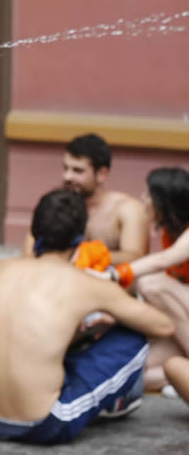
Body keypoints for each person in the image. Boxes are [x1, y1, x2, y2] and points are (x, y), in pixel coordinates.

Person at [0, 188, 174, 445]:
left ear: (34, 232)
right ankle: (113, 401)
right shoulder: (84, 283)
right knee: (132, 337)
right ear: (80, 240)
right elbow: (163, 326)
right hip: (42, 423)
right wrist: (113, 316)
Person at [103, 166, 189, 398]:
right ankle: (179, 376)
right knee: (142, 368)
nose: (143, 201)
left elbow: (163, 261)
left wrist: (113, 275)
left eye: (148, 195)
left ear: (165, 202)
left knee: (152, 283)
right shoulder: (170, 233)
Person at [24, 133, 149, 264]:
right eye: (65, 168)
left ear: (102, 174)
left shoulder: (128, 209)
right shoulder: (54, 206)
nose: (67, 176)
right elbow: (28, 256)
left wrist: (87, 256)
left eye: (77, 171)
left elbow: (136, 259)